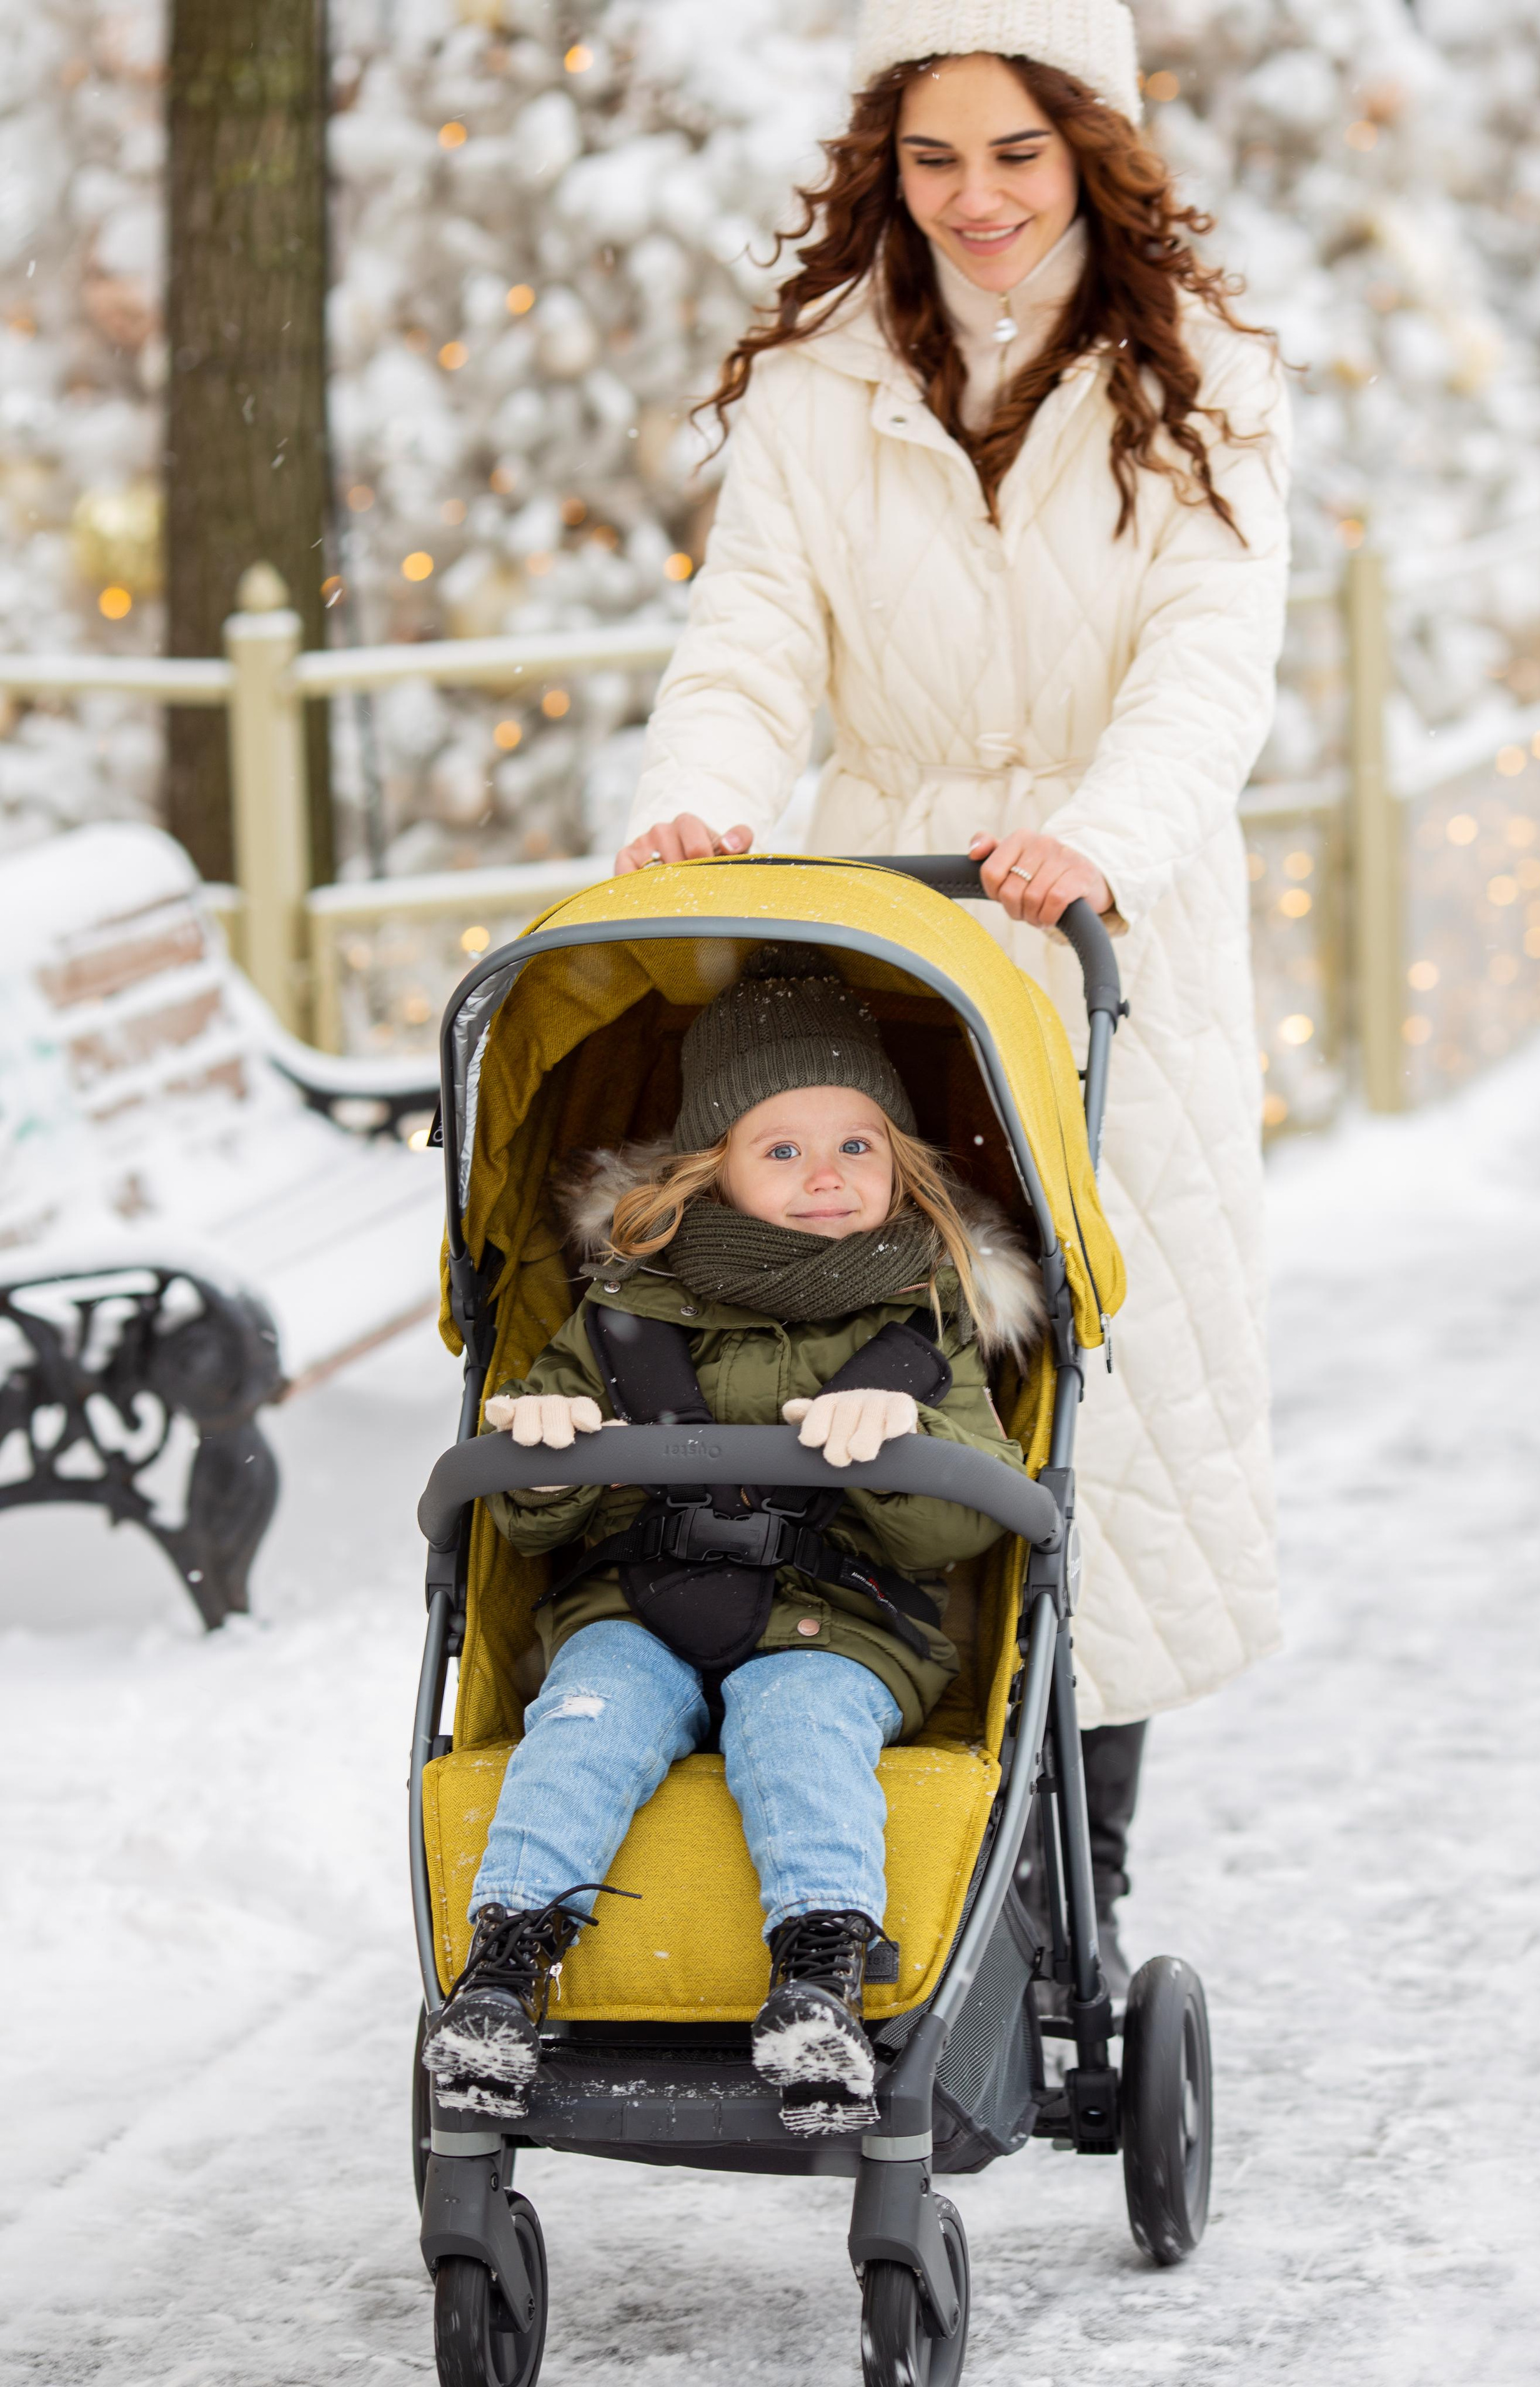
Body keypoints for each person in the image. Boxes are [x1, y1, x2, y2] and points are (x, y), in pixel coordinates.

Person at [614, 0, 1291, 1990]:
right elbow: (751, 631)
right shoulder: (825, 384)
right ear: (884, 168)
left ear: (1089, 146)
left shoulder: (1206, 374)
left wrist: (1103, 832)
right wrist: (700, 801)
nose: (976, 200)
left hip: (1109, 933)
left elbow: (1208, 655)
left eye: (1015, 152)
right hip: (885, 927)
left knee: (1105, 1386)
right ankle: (872, 1825)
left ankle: (1081, 1886)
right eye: (933, 159)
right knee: (861, 1344)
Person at [424, 950, 1045, 2131]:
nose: (827, 1174)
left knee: (799, 1718)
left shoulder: (926, 1316)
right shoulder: (625, 1307)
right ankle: (503, 1972)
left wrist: (906, 1439)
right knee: (586, 1714)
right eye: (784, 1149)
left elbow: (969, 1528)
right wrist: (548, 1446)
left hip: (844, 1621)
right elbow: (530, 1522)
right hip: (637, 1603)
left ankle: (818, 1977)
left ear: (902, 1163)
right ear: (712, 1169)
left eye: (857, 1145)